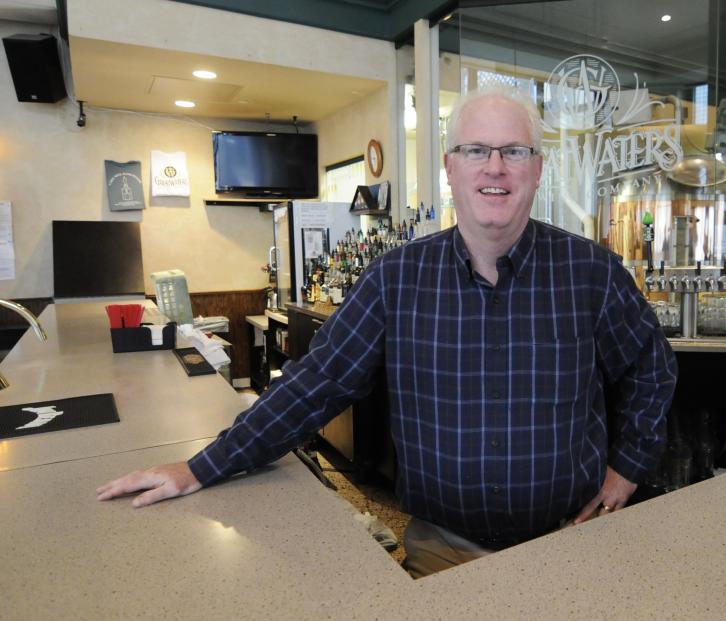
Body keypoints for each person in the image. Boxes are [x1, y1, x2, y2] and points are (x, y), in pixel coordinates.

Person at [97, 88, 677, 578]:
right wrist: (201, 467)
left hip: (571, 543)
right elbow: (316, 384)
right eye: (475, 150)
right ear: (450, 168)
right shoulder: (397, 279)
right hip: (443, 551)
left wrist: (627, 467)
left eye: (513, 151)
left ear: (537, 168)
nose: (494, 167)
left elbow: (652, 368)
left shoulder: (592, 273)